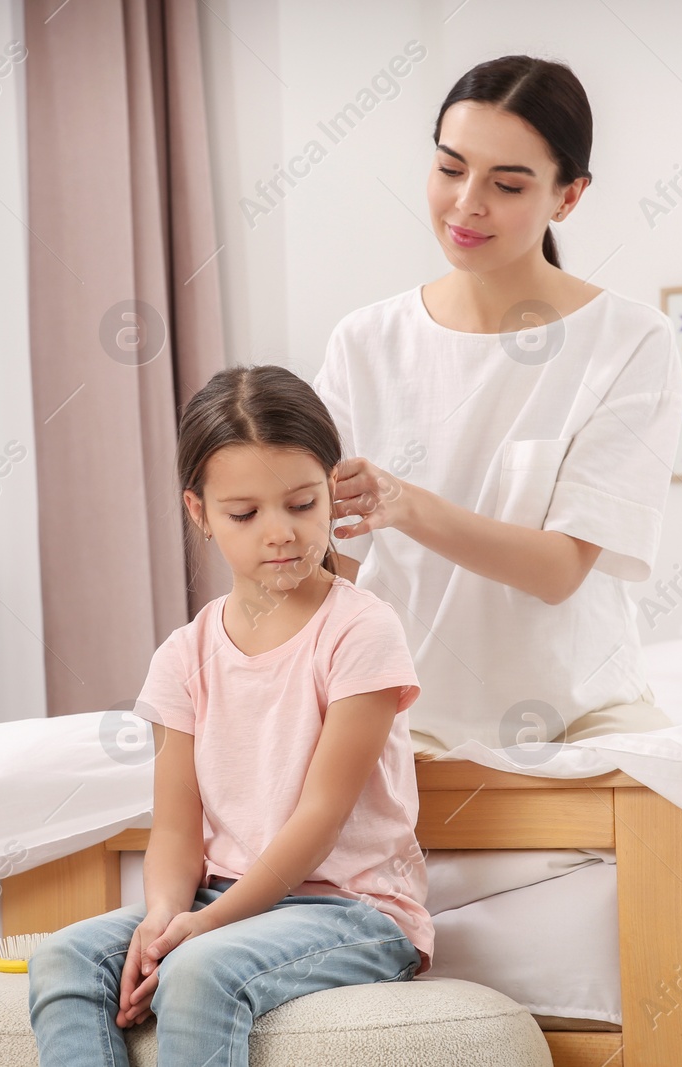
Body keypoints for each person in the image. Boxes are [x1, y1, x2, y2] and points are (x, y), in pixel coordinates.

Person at [28, 364, 430, 1066]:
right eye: (245, 514)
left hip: (354, 911)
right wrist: (162, 918)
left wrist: (204, 928)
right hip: (221, 896)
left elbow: (320, 818)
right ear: (199, 513)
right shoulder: (184, 655)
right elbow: (177, 830)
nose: (280, 533)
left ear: (330, 495)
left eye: (303, 505)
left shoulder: (363, 630)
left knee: (200, 969)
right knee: (64, 958)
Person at [312, 54, 682, 758]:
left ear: (567, 197)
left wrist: (406, 502)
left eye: (506, 184)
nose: (466, 203)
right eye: (450, 169)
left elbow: (558, 570)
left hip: (582, 714)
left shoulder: (630, 341)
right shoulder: (366, 342)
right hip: (404, 715)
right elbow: (342, 562)